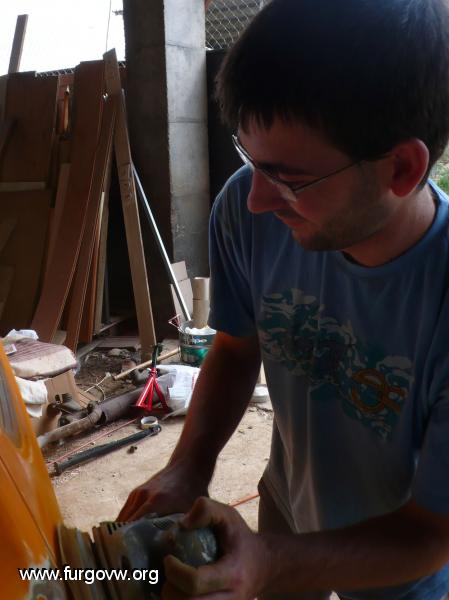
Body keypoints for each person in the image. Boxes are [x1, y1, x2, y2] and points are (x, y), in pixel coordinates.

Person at [119, 0, 449, 598]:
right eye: (252, 160)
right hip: (287, 504)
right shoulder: (248, 212)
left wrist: (270, 564)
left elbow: (432, 532)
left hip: (397, 558)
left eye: (290, 179)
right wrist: (190, 464)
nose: (257, 199)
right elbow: (236, 347)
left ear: (401, 168)